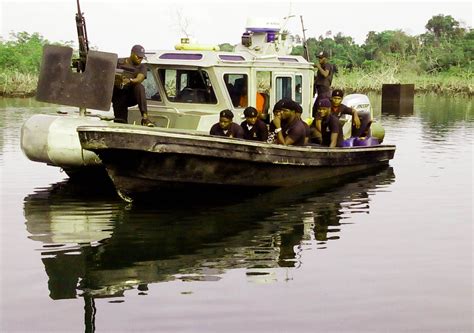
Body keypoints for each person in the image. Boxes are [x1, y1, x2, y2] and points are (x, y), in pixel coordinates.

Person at [112, 44, 154, 127]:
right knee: (121, 123)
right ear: (132, 53)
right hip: (118, 95)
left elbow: (140, 78)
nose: (140, 59)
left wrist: (130, 80)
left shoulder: (142, 67)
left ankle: (145, 118)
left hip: (131, 96)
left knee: (139, 87)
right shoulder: (118, 62)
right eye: (138, 56)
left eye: (142, 57)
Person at [312, 50, 334, 118]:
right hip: (320, 93)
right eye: (319, 58)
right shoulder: (321, 67)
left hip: (325, 93)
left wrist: (318, 66)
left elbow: (325, 74)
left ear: (325, 58)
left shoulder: (327, 65)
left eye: (321, 58)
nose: (319, 59)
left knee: (319, 110)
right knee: (314, 110)